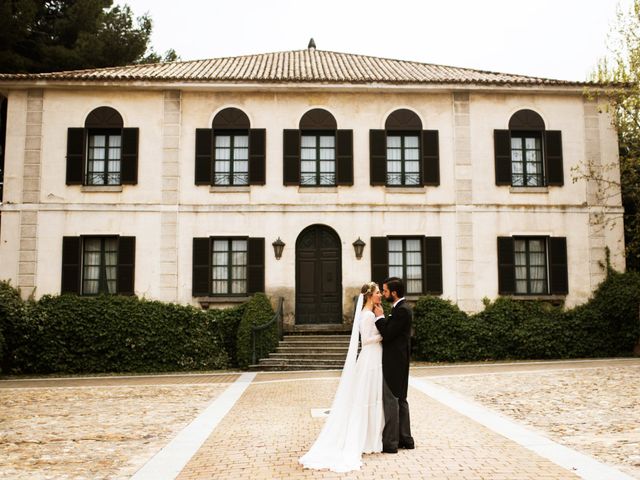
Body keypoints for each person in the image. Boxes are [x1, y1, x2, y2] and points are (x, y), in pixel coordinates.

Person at [299, 282, 385, 472]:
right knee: (369, 397)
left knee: (371, 397)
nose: (381, 295)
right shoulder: (369, 315)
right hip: (371, 356)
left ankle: (371, 438)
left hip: (372, 356)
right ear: (370, 295)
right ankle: (368, 440)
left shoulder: (368, 313)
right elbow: (368, 339)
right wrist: (384, 332)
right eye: (378, 293)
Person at [374, 276, 415, 453]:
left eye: (384, 291)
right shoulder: (399, 308)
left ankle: (391, 443)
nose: (383, 294)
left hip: (395, 362)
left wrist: (379, 317)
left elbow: (388, 334)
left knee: (392, 400)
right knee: (400, 399)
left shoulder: (402, 310)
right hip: (399, 360)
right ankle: (406, 439)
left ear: (394, 292)